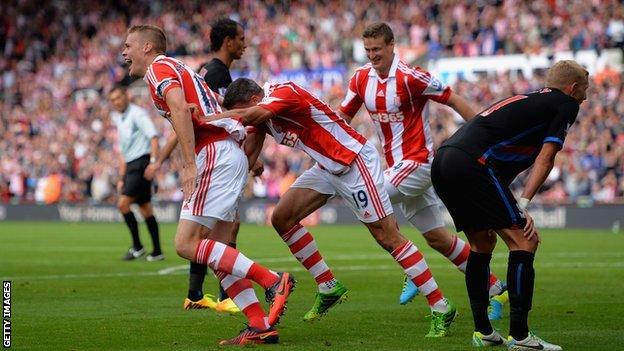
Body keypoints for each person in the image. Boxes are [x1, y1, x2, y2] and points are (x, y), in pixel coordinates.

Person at [209, 77, 458, 338]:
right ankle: (328, 285)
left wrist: (209, 118)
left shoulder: (283, 92)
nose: (246, 120)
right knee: (282, 217)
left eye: (243, 111)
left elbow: (253, 115)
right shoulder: (262, 117)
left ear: (251, 101)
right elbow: (249, 151)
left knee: (387, 236)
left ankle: (440, 305)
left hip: (353, 162)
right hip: (327, 167)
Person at [121, 24, 295, 345]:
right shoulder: (180, 67)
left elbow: (178, 108)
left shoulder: (158, 68)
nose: (124, 52)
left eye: (128, 46)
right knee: (217, 251)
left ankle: (273, 280)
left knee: (186, 245)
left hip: (213, 153)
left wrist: (189, 164)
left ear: (147, 47)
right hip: (228, 151)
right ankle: (259, 324)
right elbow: (201, 107)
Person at [337, 22, 508, 319]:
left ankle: (411, 267)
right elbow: (342, 118)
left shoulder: (410, 77)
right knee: (438, 239)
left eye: (377, 49)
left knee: (370, 198)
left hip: (418, 163)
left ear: (392, 45)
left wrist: (485, 136)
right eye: (368, 50)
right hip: (396, 167)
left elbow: (453, 98)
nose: (372, 55)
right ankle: (496, 288)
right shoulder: (361, 79)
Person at [431, 60, 588, 350]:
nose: (586, 98)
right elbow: (547, 156)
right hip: (471, 164)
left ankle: (483, 332)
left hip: (443, 161)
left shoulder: (530, 101)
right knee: (525, 242)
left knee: (482, 244)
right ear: (573, 88)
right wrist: (524, 203)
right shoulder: (565, 104)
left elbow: (504, 162)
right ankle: (520, 336)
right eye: (584, 91)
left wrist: (512, 202)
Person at [150, 16, 247, 314]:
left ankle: (195, 292)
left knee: (208, 227)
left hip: (212, 153)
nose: (245, 43)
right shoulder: (216, 75)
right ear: (228, 41)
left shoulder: (206, 70)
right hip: (216, 153)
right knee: (219, 229)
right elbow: (187, 119)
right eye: (241, 38)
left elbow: (183, 118)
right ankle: (229, 293)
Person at [108, 85, 164, 261]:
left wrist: (153, 163)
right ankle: (157, 251)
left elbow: (153, 137)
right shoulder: (121, 119)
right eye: (113, 100)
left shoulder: (137, 114)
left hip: (141, 163)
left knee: (123, 204)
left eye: (118, 97)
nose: (116, 102)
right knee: (145, 208)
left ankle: (138, 247)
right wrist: (121, 177)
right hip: (131, 165)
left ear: (126, 96)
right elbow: (124, 153)